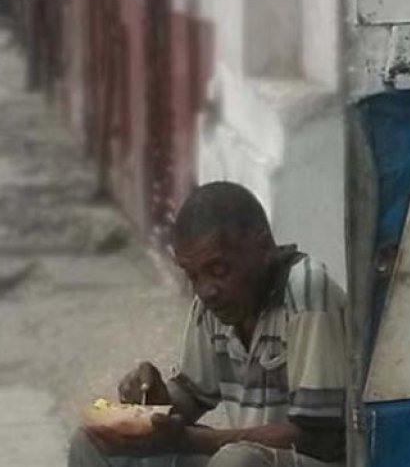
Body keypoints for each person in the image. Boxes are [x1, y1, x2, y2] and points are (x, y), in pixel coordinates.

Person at [69, 181, 347, 467]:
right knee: (92, 443)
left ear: (263, 247)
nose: (206, 291)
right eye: (193, 276)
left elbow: (319, 438)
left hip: (304, 461)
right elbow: (192, 397)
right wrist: (155, 403)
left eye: (218, 269)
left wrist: (190, 440)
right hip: (240, 456)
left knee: (235, 462)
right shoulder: (215, 304)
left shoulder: (307, 291)